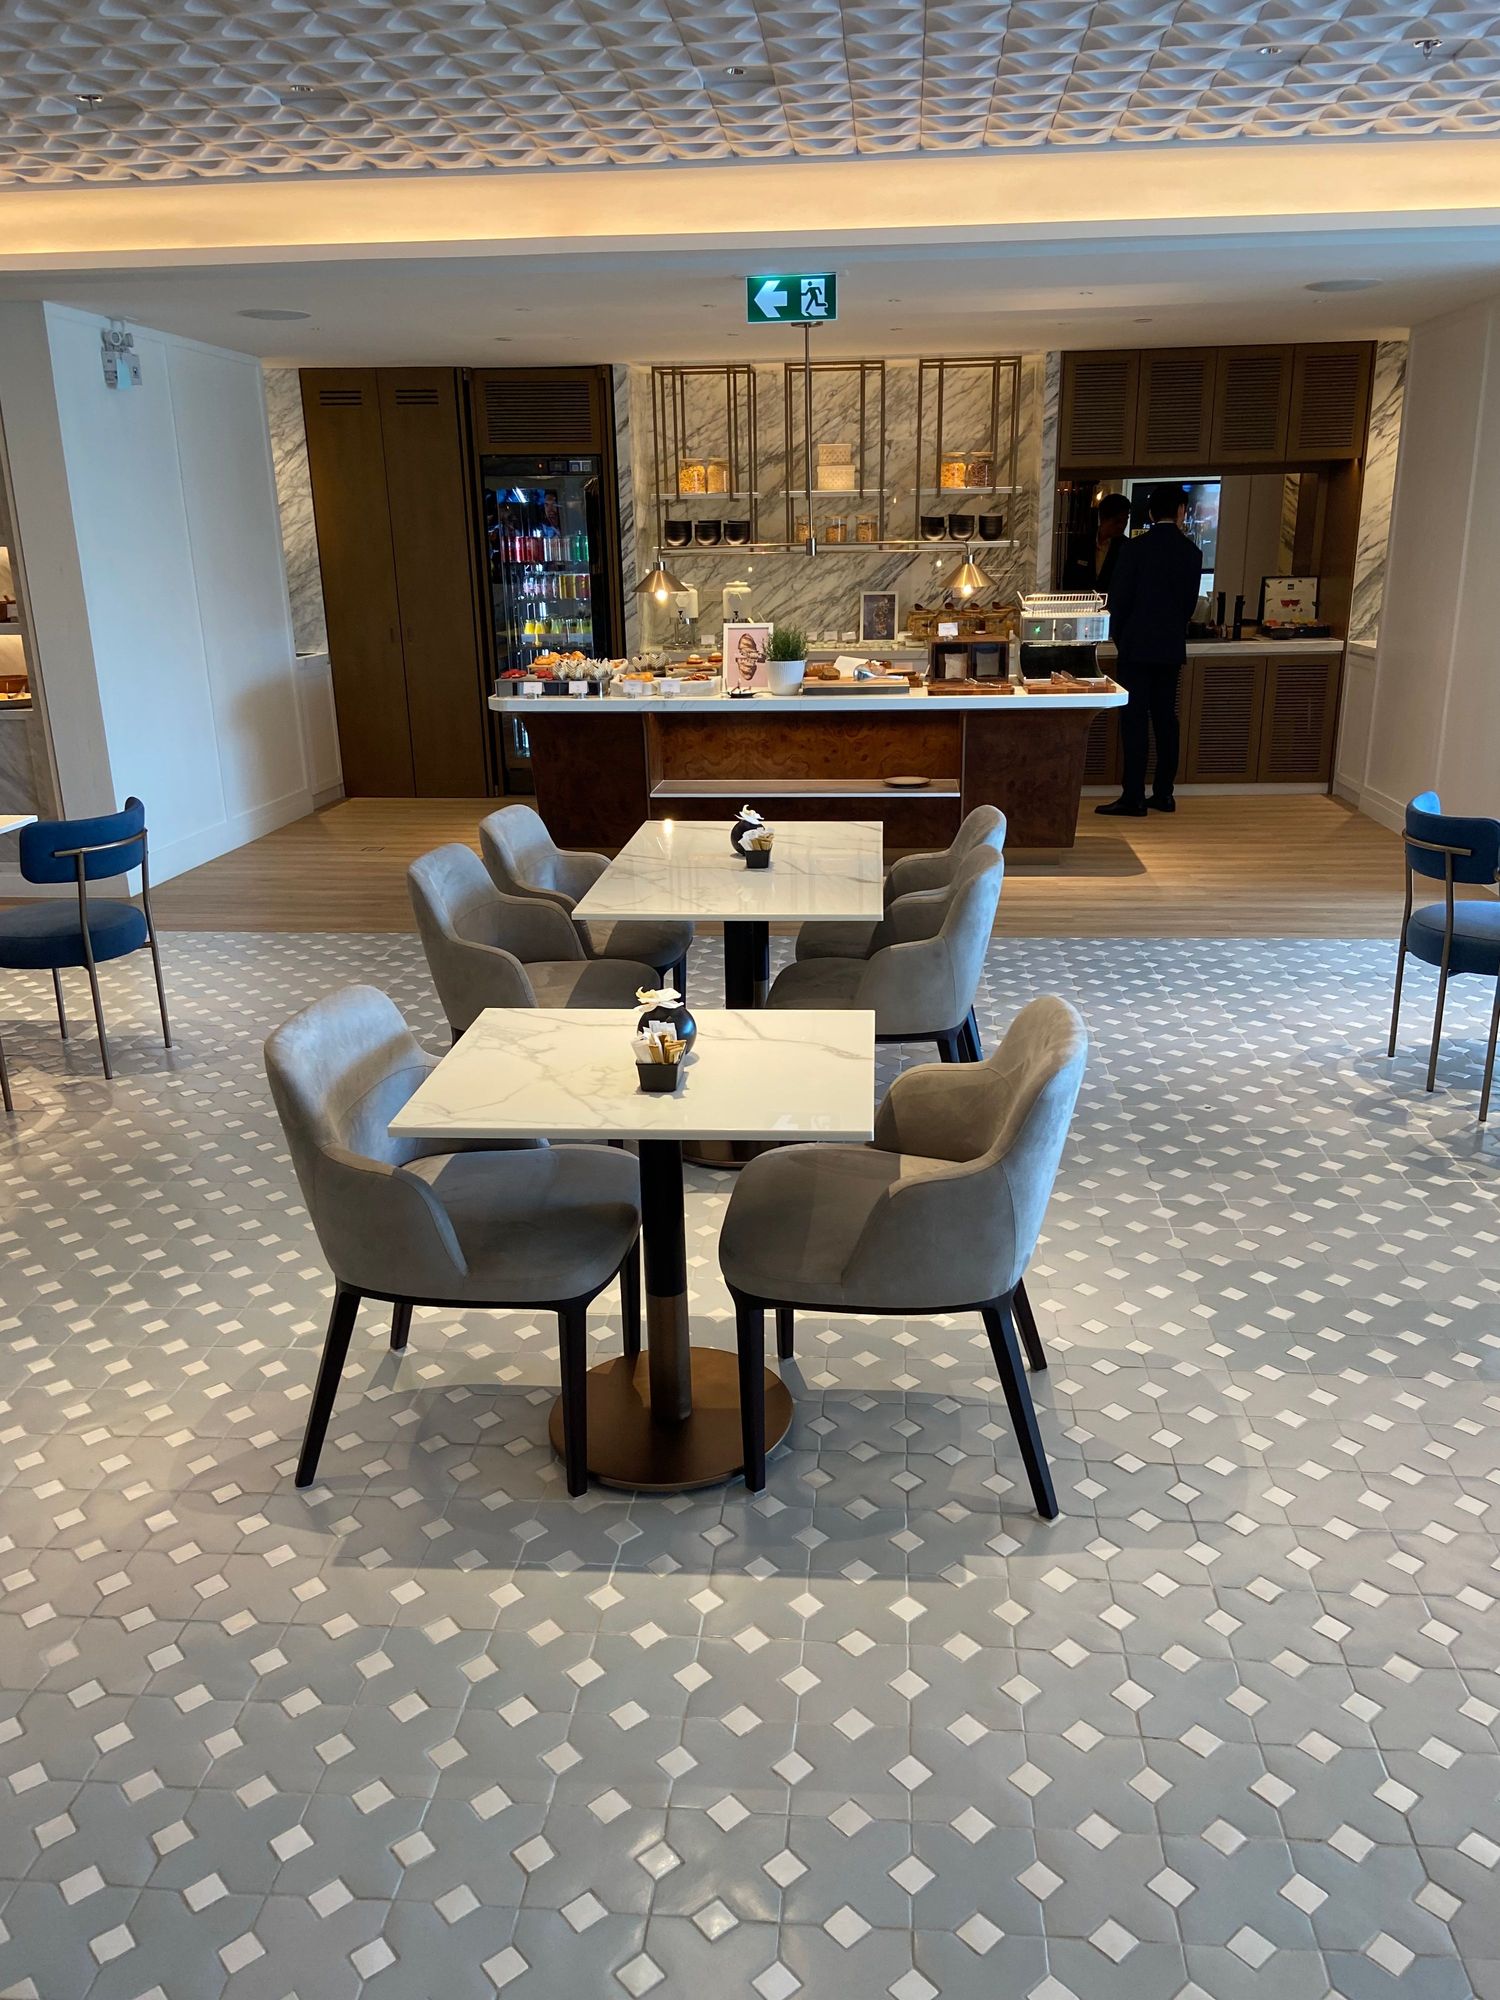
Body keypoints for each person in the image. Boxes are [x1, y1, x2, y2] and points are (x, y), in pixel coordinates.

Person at [1096, 484, 1203, 817]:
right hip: (1170, 648)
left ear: (1151, 513)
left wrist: (1121, 637)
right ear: (1181, 511)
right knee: (1166, 720)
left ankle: (1133, 796)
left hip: (1136, 647)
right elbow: (1188, 607)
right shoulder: (1191, 552)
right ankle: (1164, 794)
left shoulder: (1134, 549)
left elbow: (1119, 601)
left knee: (1134, 720)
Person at [1065, 491, 1131, 597]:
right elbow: (1069, 580)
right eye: (1117, 521)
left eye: (1125, 520)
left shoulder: (1127, 548)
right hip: (1082, 603)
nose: (1122, 525)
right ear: (1103, 519)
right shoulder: (1081, 544)